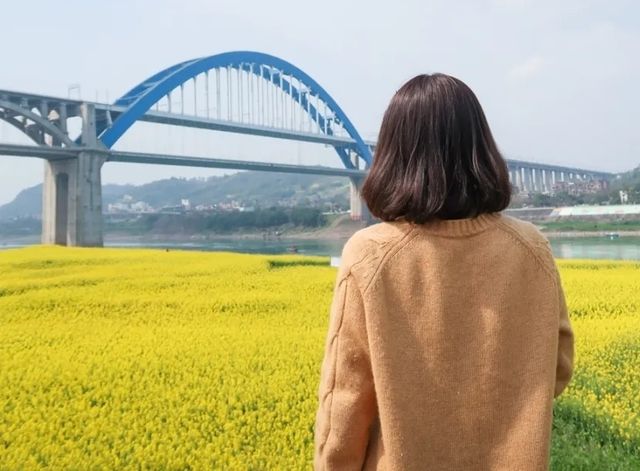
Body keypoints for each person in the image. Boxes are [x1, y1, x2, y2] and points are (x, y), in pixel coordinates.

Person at [313, 74, 574, 470]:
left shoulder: (368, 255)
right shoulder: (531, 248)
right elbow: (559, 368)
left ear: (394, 153)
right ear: (481, 147)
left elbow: (344, 405)